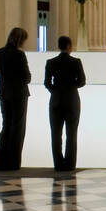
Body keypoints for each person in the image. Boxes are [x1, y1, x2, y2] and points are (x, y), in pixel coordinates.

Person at [44, 35, 86, 172]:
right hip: (72, 100)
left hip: (56, 101)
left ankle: (58, 164)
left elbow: (47, 83)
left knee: (55, 134)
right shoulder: (76, 62)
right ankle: (70, 164)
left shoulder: (51, 62)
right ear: (69, 46)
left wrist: (55, 91)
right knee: (71, 134)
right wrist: (70, 86)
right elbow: (81, 81)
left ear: (59, 46)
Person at [0, 28, 31, 172]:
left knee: (6, 126)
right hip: (18, 94)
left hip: (4, 93)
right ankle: (13, 163)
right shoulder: (19, 55)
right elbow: (27, 77)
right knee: (18, 128)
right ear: (21, 40)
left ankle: (0, 161)